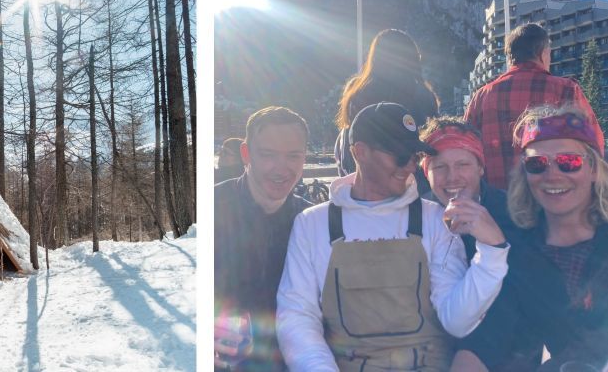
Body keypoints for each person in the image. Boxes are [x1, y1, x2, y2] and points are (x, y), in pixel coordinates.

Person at [277, 102, 510, 372]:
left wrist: (492, 252)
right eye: (398, 155)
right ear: (359, 152)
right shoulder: (312, 224)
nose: (409, 165)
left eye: (413, 155)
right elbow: (297, 316)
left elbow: (456, 320)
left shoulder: (435, 220)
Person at [452, 105, 608, 371]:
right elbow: (489, 339)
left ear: (593, 169)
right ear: (525, 174)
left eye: (569, 162)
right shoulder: (521, 254)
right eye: (537, 164)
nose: (553, 175)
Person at [214, 107, 311, 371]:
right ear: (246, 154)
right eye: (268, 155)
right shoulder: (213, 208)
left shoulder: (312, 221)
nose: (281, 168)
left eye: (293, 156)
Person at [465, 22, 605, 189]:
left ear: (510, 58)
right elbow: (594, 146)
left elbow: (466, 150)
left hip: (495, 205)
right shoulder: (566, 90)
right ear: (543, 53)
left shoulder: (481, 97)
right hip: (552, 200)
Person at [334, 29, 439, 177]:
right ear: (413, 59)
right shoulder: (423, 94)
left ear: (374, 57)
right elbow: (433, 139)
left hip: (366, 176)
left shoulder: (357, 90)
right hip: (413, 178)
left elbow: (348, 134)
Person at [419, 117, 515, 264]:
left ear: (480, 168)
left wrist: (495, 243)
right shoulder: (416, 217)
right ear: (427, 173)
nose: (452, 177)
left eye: (462, 165)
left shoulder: (514, 214)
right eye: (439, 167)